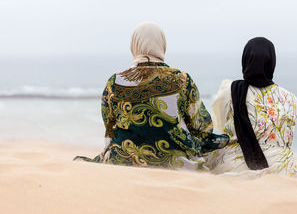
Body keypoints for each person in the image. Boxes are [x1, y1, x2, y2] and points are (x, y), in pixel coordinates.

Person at [74, 22, 229, 171]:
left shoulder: (114, 82)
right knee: (222, 149)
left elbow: (110, 128)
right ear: (162, 44)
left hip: (121, 161)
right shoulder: (182, 79)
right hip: (178, 164)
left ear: (134, 45)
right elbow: (201, 127)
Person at [206, 37, 297, 177]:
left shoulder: (230, 90)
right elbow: (288, 141)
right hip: (283, 168)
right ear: (272, 62)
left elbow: (216, 128)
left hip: (236, 164)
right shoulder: (291, 98)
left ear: (245, 60)